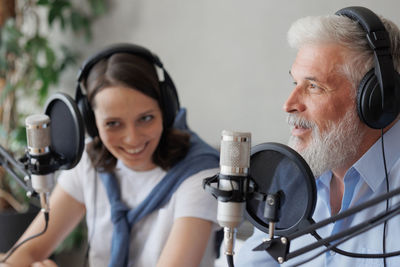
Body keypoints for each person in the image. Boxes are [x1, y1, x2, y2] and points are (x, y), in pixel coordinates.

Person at [2, 43, 220, 267]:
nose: (132, 138)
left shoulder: (201, 176)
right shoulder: (89, 160)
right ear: (91, 122)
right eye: (113, 124)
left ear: (166, 109)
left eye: (145, 118)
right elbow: (26, 252)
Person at [236, 6, 400, 267]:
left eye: (314, 87)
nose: (289, 104)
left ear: (376, 100)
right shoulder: (291, 178)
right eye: (295, 83)